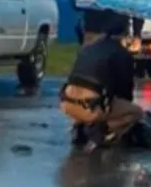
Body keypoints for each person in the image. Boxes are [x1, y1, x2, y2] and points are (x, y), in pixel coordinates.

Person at [59, 18, 144, 150]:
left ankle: (79, 128)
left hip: (66, 103)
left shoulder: (87, 49)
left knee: (96, 97)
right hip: (91, 108)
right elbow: (126, 92)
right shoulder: (122, 54)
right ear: (125, 34)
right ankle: (102, 134)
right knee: (136, 113)